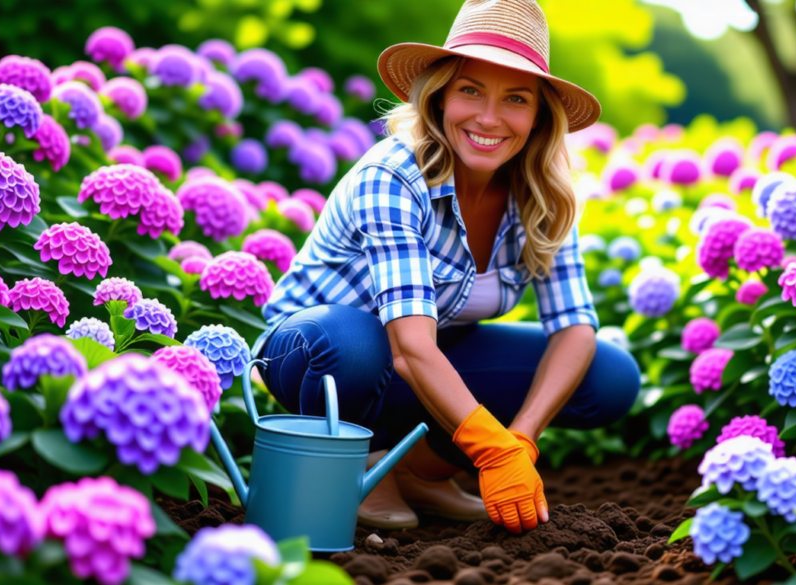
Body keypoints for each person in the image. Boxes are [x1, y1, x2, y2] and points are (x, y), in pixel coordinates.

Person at [254, 0, 641, 535]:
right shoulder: (393, 176)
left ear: (539, 115)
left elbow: (574, 326)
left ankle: (419, 474)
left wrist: (517, 443)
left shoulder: (545, 196)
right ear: (438, 96)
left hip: (424, 357)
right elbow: (409, 348)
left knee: (607, 374)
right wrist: (488, 447)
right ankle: (356, 466)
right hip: (316, 354)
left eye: (516, 98)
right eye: (470, 90)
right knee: (354, 345)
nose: (488, 117)